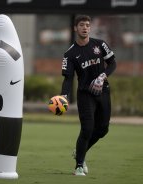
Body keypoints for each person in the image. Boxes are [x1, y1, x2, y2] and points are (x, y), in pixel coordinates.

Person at [60, 15, 116, 176]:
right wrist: (64, 95)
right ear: (75, 28)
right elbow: (68, 78)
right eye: (82, 25)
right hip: (85, 95)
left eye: (87, 25)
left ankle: (79, 152)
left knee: (103, 129)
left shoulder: (100, 45)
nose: (85, 28)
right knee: (87, 128)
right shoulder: (69, 54)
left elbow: (113, 63)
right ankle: (78, 166)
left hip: (103, 91)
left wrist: (102, 76)